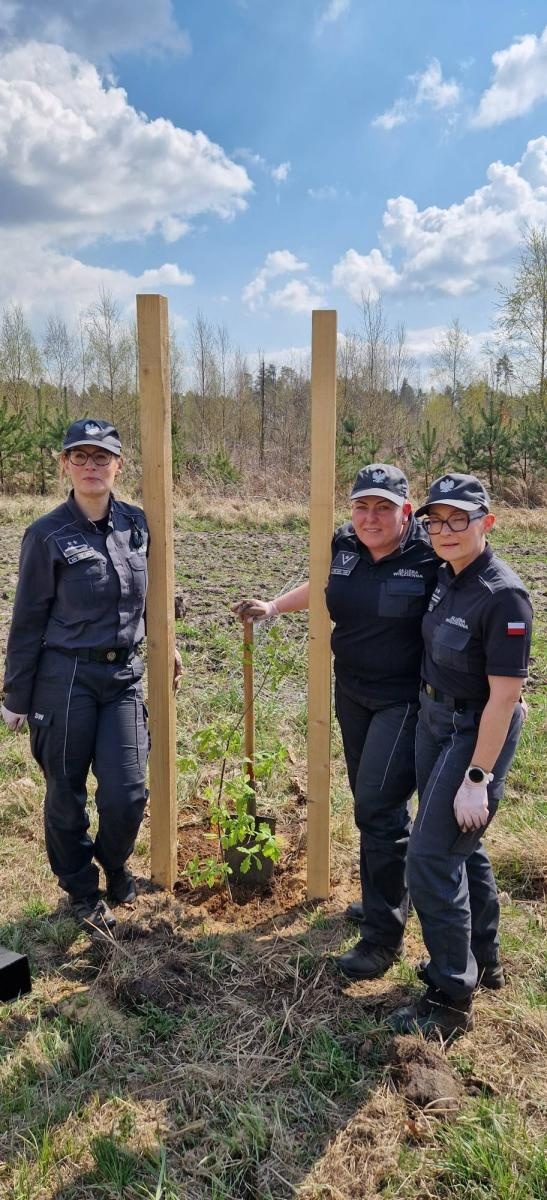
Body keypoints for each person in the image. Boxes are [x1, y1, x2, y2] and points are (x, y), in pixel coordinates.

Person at [234, 464, 439, 978]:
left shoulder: (429, 555)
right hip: (352, 694)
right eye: (362, 506)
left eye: (384, 507)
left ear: (406, 511)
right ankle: (384, 899)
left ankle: (381, 937)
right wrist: (275, 607)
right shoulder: (344, 544)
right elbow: (324, 583)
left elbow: (475, 602)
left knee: (378, 807)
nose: (371, 517)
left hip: (404, 701)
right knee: (372, 804)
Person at [1, 419, 180, 936]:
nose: (91, 466)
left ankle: (115, 864)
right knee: (66, 790)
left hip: (122, 675)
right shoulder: (46, 534)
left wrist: (167, 644)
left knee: (127, 792)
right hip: (66, 677)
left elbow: (153, 592)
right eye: (80, 457)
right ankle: (80, 887)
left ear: (118, 466)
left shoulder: (137, 524)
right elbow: (27, 618)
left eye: (102, 458)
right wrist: (16, 695)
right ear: (65, 465)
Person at [389, 473, 532, 1041]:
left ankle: (450, 994)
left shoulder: (503, 596)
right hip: (433, 719)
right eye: (436, 520)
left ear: (487, 523)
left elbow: (505, 697)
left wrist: (478, 776)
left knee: (428, 859)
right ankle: (484, 958)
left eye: (459, 519)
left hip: (474, 730)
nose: (445, 530)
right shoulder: (447, 576)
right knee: (460, 845)